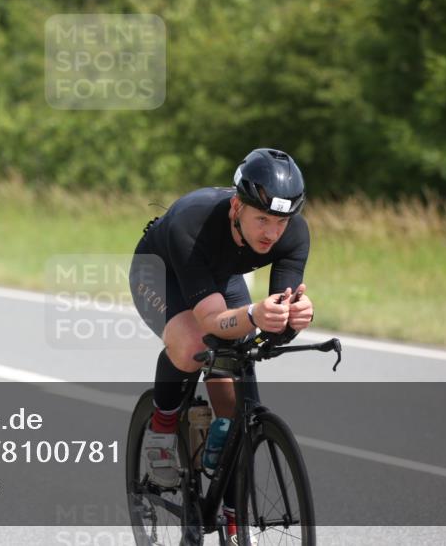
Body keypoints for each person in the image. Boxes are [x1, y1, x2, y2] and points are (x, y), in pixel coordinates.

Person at [129, 147, 314, 542]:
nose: (271, 233)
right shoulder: (192, 221)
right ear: (237, 206)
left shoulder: (293, 234)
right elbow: (213, 321)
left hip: (220, 275)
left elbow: (273, 316)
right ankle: (162, 430)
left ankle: (232, 510)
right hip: (162, 271)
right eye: (262, 219)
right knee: (196, 343)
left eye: (281, 222)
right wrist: (253, 316)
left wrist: (293, 319)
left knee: (239, 374)